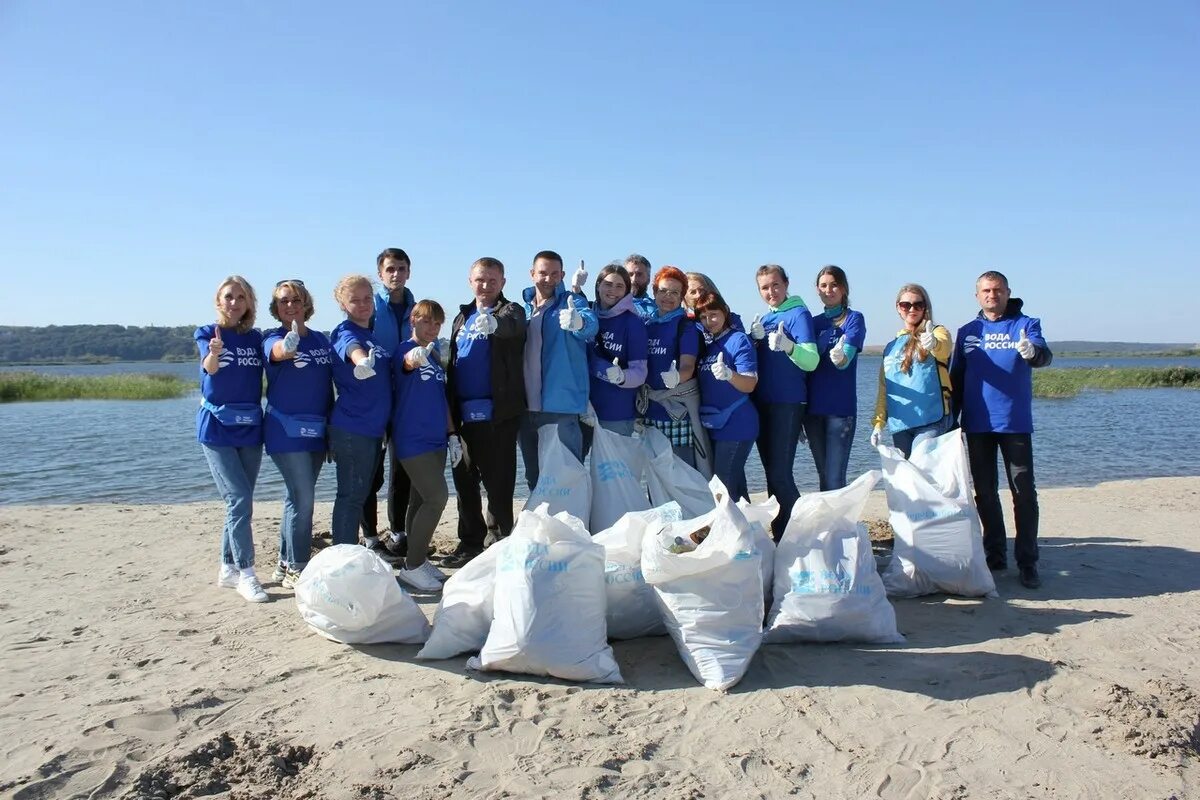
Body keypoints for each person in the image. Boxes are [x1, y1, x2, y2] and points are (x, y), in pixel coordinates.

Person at [951, 271, 1052, 589]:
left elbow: (1043, 356)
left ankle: (1028, 561)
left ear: (1007, 292)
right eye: (985, 290)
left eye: (997, 290)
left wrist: (1032, 353)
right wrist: (950, 421)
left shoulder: (1026, 324)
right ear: (977, 295)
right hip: (977, 424)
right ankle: (995, 554)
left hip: (1014, 423)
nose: (991, 295)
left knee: (1023, 492)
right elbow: (956, 378)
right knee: (985, 493)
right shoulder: (968, 331)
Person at [445, 257, 527, 567]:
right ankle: (469, 543)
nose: (486, 285)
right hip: (464, 417)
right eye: (480, 279)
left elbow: (514, 328)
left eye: (493, 280)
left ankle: (500, 540)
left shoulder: (511, 310)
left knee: (499, 484)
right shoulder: (461, 317)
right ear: (470, 281)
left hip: (498, 415)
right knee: (465, 483)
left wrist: (495, 324)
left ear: (502, 283)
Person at [196, 276, 267, 603]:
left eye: (241, 297)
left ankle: (227, 567)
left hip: (251, 426)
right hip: (217, 428)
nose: (235, 302)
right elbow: (209, 368)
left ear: (249, 302)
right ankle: (247, 573)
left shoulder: (255, 338)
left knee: (238, 501)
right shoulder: (208, 334)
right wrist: (214, 352)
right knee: (239, 500)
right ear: (218, 301)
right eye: (229, 297)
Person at [262, 279, 333, 589]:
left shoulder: (321, 340)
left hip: (316, 431)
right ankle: (299, 567)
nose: (290, 305)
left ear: (306, 304)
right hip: (284, 430)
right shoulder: (270, 337)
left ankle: (284, 561)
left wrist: (331, 431)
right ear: (276, 308)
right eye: (283, 301)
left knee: (296, 499)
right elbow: (276, 352)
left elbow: (327, 387)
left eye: (295, 300)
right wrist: (287, 345)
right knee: (303, 499)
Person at [390, 300, 462, 592]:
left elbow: (441, 398)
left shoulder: (434, 357)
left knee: (419, 501)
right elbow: (407, 364)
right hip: (412, 439)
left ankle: (415, 559)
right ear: (413, 321)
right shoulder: (405, 351)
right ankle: (412, 566)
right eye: (426, 322)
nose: (431, 327)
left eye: (436, 323)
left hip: (437, 440)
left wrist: (452, 433)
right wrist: (413, 358)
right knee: (437, 497)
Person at [748, 264, 818, 540]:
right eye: (764, 287)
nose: (771, 291)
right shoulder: (766, 319)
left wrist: (790, 346)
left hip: (787, 403)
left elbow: (811, 361)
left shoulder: (798, 314)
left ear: (786, 284)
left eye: (775, 285)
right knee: (770, 473)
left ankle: (805, 534)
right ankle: (781, 534)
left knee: (780, 473)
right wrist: (754, 342)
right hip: (763, 404)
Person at [518, 250, 598, 489]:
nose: (548, 279)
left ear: (562, 275)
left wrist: (579, 322)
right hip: (526, 408)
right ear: (532, 274)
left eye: (554, 273)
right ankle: (542, 526)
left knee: (566, 475)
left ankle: (570, 524)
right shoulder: (522, 309)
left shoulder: (571, 302)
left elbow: (590, 325)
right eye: (542, 273)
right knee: (535, 477)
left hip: (561, 406)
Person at [328, 274, 392, 548]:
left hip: (373, 429)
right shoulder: (346, 331)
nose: (363, 304)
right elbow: (351, 349)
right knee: (351, 496)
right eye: (355, 300)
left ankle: (352, 552)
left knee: (361, 492)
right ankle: (342, 557)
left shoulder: (370, 334)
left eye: (367, 298)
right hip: (353, 428)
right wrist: (361, 360)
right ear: (343, 304)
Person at [366, 248, 416, 556]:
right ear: (380, 274)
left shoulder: (416, 308)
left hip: (406, 401)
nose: (395, 274)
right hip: (372, 401)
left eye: (401, 268)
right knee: (372, 472)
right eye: (389, 269)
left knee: (402, 471)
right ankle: (370, 537)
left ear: (409, 272)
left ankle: (398, 533)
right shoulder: (369, 306)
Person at [639, 265, 711, 473]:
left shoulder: (685, 326)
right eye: (663, 291)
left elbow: (688, 364)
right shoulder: (647, 324)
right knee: (655, 478)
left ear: (682, 296)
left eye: (675, 292)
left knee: (682, 476)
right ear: (654, 292)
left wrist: (678, 376)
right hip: (649, 412)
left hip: (676, 413)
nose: (668, 297)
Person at [871, 284, 953, 458]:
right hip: (901, 424)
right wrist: (878, 424)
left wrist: (934, 344)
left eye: (918, 304)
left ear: (925, 307)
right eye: (905, 305)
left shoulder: (937, 332)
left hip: (932, 419)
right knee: (908, 478)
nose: (912, 309)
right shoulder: (891, 347)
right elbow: (885, 390)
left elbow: (944, 349)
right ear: (898, 308)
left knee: (921, 465)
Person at [803, 265, 866, 491]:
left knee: (834, 478)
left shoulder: (854, 318)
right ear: (817, 290)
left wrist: (840, 357)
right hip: (812, 412)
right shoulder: (813, 322)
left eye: (834, 285)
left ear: (844, 288)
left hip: (840, 410)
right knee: (823, 476)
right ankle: (830, 525)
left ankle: (841, 527)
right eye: (823, 285)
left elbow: (845, 359)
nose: (829, 290)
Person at [694, 291, 759, 501]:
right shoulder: (709, 345)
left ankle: (732, 533)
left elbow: (750, 383)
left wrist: (729, 374)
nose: (708, 321)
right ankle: (749, 532)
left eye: (713, 314)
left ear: (725, 312)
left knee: (723, 489)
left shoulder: (739, 340)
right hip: (715, 425)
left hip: (737, 425)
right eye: (703, 317)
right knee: (737, 489)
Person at [583, 263, 648, 453]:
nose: (613, 291)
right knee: (575, 475)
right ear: (598, 286)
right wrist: (575, 289)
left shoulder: (632, 322)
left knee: (613, 479)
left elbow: (640, 372)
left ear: (627, 291)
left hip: (616, 412)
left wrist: (622, 377)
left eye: (620, 286)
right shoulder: (587, 314)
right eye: (608, 284)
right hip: (581, 408)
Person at [623, 253, 658, 320]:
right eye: (630, 274)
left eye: (639, 274)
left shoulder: (658, 308)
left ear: (648, 279)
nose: (634, 279)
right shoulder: (613, 304)